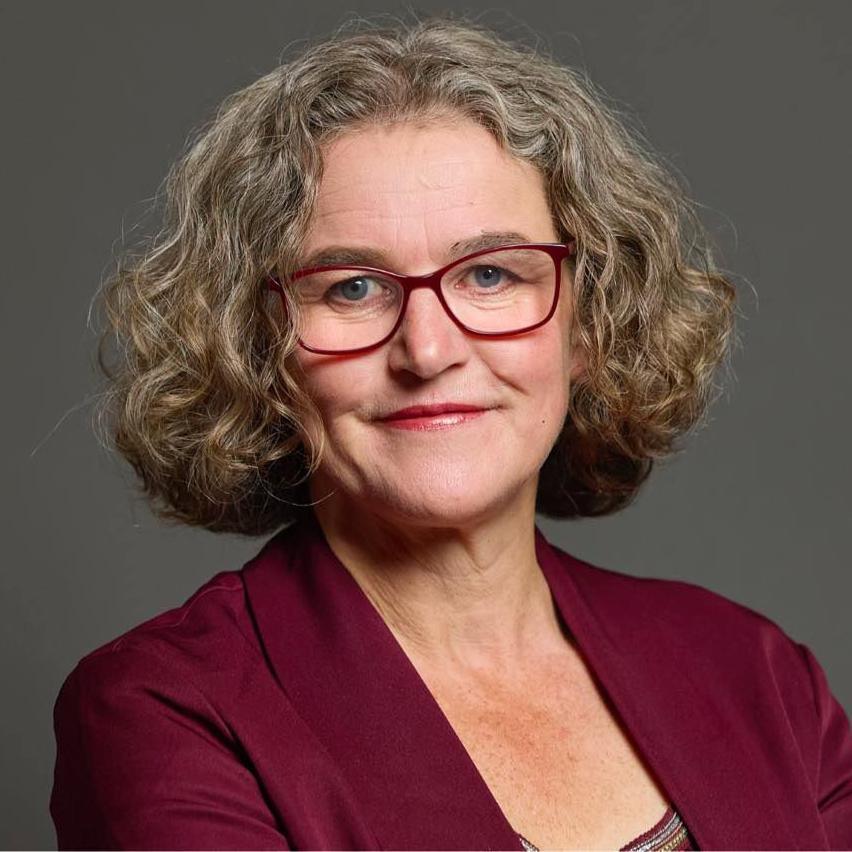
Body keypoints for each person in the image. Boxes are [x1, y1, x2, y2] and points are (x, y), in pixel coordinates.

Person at [50, 13, 852, 851]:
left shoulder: (760, 677)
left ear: (588, 324)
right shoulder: (165, 710)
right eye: (353, 287)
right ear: (262, 350)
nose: (428, 349)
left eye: (492, 274)